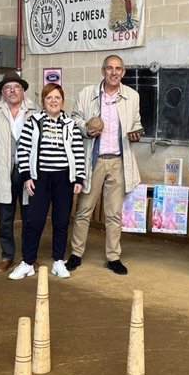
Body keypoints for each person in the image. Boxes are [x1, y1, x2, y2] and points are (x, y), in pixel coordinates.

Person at [65, 54, 143, 276]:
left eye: (118, 68)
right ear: (103, 71)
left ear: (123, 72)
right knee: (83, 210)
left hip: (118, 160)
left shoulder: (132, 96)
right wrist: (86, 128)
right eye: (109, 68)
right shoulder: (87, 93)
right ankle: (76, 254)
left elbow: (136, 122)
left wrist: (136, 132)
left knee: (113, 214)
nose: (114, 72)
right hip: (94, 160)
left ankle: (113, 257)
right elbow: (74, 118)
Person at [8, 83, 85, 280]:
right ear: (43, 101)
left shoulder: (70, 124)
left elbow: (78, 151)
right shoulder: (34, 121)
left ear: (62, 101)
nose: (53, 101)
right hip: (39, 179)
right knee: (34, 221)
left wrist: (78, 178)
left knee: (61, 221)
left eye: (57, 98)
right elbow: (22, 150)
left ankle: (58, 261)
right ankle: (27, 262)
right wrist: (26, 176)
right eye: (49, 97)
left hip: (64, 180)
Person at [0, 71, 37, 273]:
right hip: (3, 171)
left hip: (28, 173)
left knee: (29, 217)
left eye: (16, 87)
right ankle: (7, 256)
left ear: (23, 90)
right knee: (5, 218)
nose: (12, 91)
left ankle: (29, 257)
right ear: (2, 92)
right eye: (7, 88)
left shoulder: (35, 111)